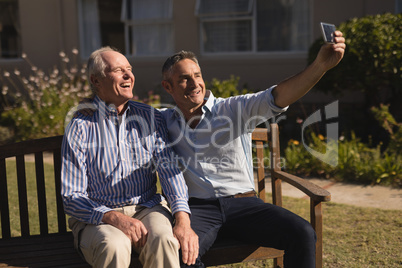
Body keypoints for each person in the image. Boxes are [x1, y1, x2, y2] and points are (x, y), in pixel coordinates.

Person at [160, 31, 346, 267]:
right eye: (184, 79)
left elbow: (278, 96)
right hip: (199, 210)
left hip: (244, 205)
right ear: (168, 86)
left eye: (198, 75)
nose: (195, 83)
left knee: (301, 232)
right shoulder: (163, 121)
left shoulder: (234, 109)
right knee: (183, 253)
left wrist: (320, 66)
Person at [61, 46, 198, 268]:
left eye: (129, 69)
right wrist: (113, 217)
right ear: (96, 81)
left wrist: (182, 219)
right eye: (118, 70)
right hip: (99, 217)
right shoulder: (80, 126)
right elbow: (72, 196)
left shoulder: (151, 117)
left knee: (164, 240)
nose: (128, 76)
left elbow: (170, 171)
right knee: (113, 245)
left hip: (146, 208)